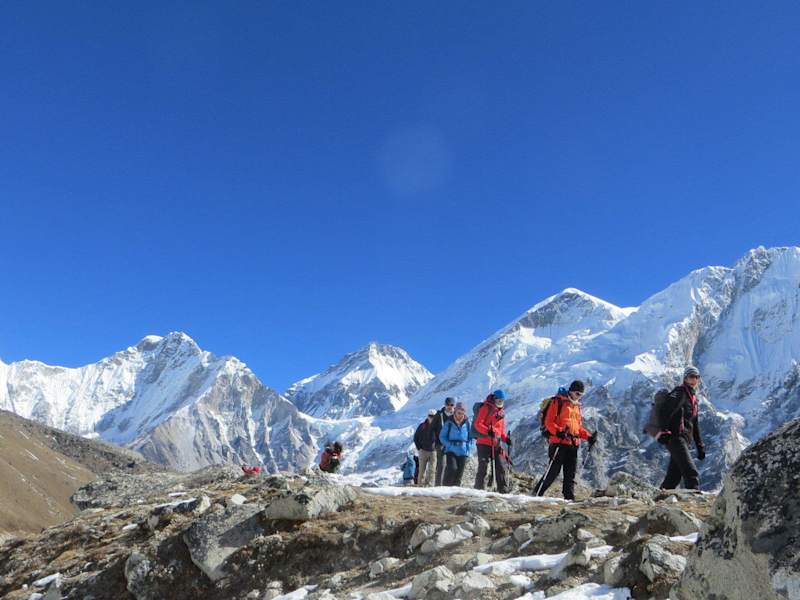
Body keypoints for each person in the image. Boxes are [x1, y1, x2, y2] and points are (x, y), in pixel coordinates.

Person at [535, 381, 596, 501]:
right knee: (553, 471)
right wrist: (559, 431)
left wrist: (588, 437)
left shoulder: (577, 406)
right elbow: (549, 422)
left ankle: (569, 498)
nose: (579, 397)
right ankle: (537, 493)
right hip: (559, 442)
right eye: (577, 393)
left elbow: (577, 428)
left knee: (570, 473)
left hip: (573, 444)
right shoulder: (558, 402)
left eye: (581, 395)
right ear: (571, 391)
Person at [657, 366, 705, 490]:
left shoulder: (694, 399)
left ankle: (660, 496)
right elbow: (665, 411)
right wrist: (664, 431)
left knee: (673, 477)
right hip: (675, 437)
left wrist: (700, 446)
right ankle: (694, 496)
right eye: (691, 376)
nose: (694, 379)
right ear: (685, 378)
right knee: (690, 471)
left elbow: (695, 424)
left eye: (697, 377)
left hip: (685, 440)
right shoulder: (680, 393)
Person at [473, 389, 512, 493]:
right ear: (494, 399)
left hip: (496, 443)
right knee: (483, 466)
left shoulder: (501, 412)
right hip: (483, 442)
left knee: (500, 466)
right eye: (499, 400)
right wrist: (488, 431)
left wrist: (505, 439)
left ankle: (502, 489)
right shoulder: (486, 408)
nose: (500, 402)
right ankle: (478, 488)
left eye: (502, 400)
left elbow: (500, 431)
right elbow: (478, 424)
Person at [440, 401, 473, 486]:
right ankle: (445, 487)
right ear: (455, 411)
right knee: (452, 468)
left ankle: (456, 491)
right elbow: (442, 436)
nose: (460, 415)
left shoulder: (467, 422)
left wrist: (468, 447)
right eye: (459, 413)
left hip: (463, 451)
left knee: (459, 474)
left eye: (462, 413)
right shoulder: (449, 422)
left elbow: (470, 437)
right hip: (451, 450)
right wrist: (449, 445)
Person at [432, 397, 456, 485]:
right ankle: (438, 486)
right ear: (445, 405)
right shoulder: (439, 415)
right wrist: (435, 441)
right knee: (442, 465)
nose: (449, 406)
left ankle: (448, 486)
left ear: (454, 406)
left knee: (452, 466)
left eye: (451, 405)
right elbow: (432, 428)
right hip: (440, 444)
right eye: (447, 404)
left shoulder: (456, 416)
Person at [414, 409, 438, 486]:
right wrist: (419, 449)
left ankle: (430, 486)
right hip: (423, 451)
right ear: (427, 416)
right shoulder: (422, 426)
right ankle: (420, 486)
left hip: (433, 451)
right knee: (421, 471)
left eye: (433, 416)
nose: (432, 418)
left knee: (432, 470)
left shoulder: (438, 427)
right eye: (430, 416)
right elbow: (415, 438)